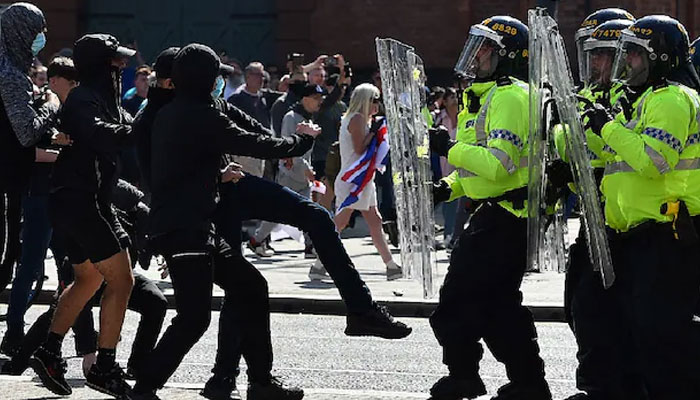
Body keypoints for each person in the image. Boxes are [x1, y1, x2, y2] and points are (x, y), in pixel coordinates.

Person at [129, 43, 321, 400]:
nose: (219, 83)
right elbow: (252, 143)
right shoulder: (196, 113)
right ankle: (144, 385)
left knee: (250, 287)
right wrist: (299, 142)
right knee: (194, 317)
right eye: (214, 76)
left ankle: (261, 381)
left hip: (194, 225)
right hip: (185, 227)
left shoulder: (172, 112)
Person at [428, 16, 552, 400]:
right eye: (475, 47)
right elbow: (475, 172)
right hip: (492, 213)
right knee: (498, 307)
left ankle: (465, 374)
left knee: (458, 300)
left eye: (485, 49)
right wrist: (444, 189)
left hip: (507, 219)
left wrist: (449, 148)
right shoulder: (485, 96)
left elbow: (499, 165)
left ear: (507, 56)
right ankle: (527, 382)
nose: (475, 56)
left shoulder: (512, 96)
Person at [584, 15, 700, 400]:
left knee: (663, 336)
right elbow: (609, 152)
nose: (626, 62)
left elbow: (654, 161)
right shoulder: (641, 99)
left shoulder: (672, 99)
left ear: (661, 58)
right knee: (632, 333)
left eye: (634, 54)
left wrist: (609, 128)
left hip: (665, 236)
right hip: (632, 237)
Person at [29, 33, 137, 398]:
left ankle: (48, 352)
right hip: (81, 201)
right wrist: (135, 129)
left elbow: (131, 125)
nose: (122, 66)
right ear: (98, 65)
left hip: (85, 201)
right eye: (116, 61)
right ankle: (103, 366)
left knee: (89, 279)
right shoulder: (82, 99)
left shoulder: (105, 98)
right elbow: (98, 133)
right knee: (122, 281)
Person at [554, 12, 638, 400]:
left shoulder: (630, 97)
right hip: (591, 217)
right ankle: (600, 383)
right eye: (591, 54)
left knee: (607, 308)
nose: (596, 64)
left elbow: (614, 151)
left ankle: (608, 386)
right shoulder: (585, 97)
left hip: (624, 220)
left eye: (604, 54)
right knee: (579, 304)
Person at [0, 56, 78, 356]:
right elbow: (29, 152)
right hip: (38, 195)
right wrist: (64, 154)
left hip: (60, 194)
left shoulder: (60, 108)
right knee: (31, 265)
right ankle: (15, 331)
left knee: (70, 267)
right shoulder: (35, 109)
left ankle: (63, 334)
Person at [309, 83, 402, 281]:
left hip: (363, 178)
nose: (377, 104)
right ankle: (318, 263)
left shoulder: (361, 119)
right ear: (364, 101)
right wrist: (375, 132)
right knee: (340, 223)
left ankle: (391, 266)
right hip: (353, 179)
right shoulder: (357, 118)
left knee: (375, 221)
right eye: (374, 100)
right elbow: (360, 149)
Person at [0, 2, 60, 307]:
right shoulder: (10, 74)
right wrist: (51, 103)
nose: (42, 36)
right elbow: (25, 132)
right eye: (38, 30)